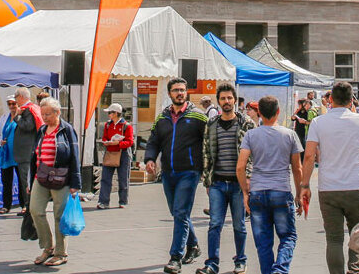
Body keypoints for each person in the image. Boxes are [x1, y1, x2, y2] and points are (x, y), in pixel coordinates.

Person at [300, 81, 359, 274]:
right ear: (351, 99)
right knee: (357, 232)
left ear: (331, 100)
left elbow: (309, 155)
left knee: (334, 239)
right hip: (356, 185)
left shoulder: (319, 122)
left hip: (329, 187)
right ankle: (355, 270)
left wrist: (304, 184)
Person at [143, 78, 208, 274]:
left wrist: (206, 169)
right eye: (175, 90)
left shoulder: (199, 117)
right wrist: (150, 158)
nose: (179, 93)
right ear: (170, 94)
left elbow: (209, 142)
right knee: (177, 212)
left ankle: (175, 257)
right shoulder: (162, 118)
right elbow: (153, 140)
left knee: (180, 212)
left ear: (187, 92)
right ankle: (194, 245)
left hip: (189, 172)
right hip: (168, 173)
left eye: (182, 90)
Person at [237, 96, 303, 274]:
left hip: (258, 191)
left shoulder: (251, 135)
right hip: (281, 190)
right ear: (278, 112)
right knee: (288, 236)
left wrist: (245, 192)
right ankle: (280, 270)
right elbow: (297, 168)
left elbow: (240, 166)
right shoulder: (290, 135)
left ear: (259, 113)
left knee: (263, 242)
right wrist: (299, 193)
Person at [199, 83, 254, 274]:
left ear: (234, 100)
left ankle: (241, 260)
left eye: (229, 98)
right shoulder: (211, 124)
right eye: (223, 98)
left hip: (239, 185)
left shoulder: (246, 123)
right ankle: (211, 264)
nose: (227, 101)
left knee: (239, 225)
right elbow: (206, 151)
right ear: (218, 101)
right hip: (217, 183)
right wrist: (207, 179)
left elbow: (253, 153)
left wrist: (248, 178)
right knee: (214, 225)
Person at [29, 98, 81, 267]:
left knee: (60, 215)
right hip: (42, 175)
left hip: (62, 177)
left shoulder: (67, 130)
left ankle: (61, 252)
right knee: (35, 210)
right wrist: (31, 180)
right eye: (43, 114)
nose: (45, 117)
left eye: (48, 114)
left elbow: (74, 156)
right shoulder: (43, 130)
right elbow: (35, 154)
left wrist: (75, 183)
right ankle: (48, 246)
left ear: (58, 113)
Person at [10, 88, 41, 215]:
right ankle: (29, 206)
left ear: (21, 97)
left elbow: (28, 126)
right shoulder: (32, 108)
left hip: (26, 152)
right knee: (26, 180)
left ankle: (29, 207)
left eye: (16, 97)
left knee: (26, 181)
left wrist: (16, 116)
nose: (15, 101)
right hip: (26, 152)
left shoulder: (28, 109)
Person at [99, 103, 134, 209]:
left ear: (116, 113)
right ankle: (104, 201)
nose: (109, 115)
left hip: (123, 153)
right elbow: (104, 137)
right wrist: (106, 142)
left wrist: (118, 143)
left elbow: (130, 142)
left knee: (123, 178)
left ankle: (123, 201)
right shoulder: (107, 125)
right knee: (105, 178)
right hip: (110, 152)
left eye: (110, 112)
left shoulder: (126, 126)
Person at [0, 96, 22, 215]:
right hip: (6, 152)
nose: (12, 106)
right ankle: (6, 205)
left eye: (14, 104)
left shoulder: (22, 117)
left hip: (18, 153)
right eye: (10, 104)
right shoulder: (4, 117)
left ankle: (24, 205)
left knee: (22, 180)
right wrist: (0, 142)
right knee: (6, 180)